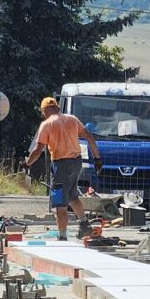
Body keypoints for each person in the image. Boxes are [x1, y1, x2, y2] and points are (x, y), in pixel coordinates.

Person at [25, 97, 102, 241]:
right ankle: (84, 223)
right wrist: (97, 159)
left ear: (46, 110)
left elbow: (37, 150)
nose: (43, 114)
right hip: (76, 162)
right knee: (72, 195)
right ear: (57, 107)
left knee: (60, 202)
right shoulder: (72, 119)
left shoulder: (47, 124)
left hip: (61, 164)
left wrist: (27, 164)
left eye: (43, 112)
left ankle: (62, 237)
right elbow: (89, 137)